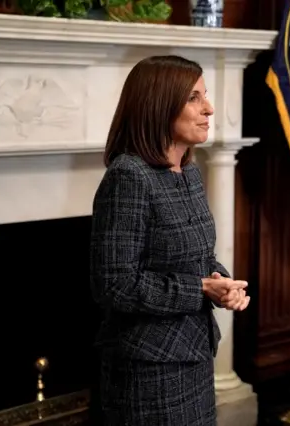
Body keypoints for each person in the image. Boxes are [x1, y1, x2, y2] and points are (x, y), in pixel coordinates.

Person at [89, 55, 250, 426]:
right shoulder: (128, 176)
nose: (208, 108)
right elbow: (114, 285)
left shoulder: (188, 172)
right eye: (194, 98)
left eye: (205, 96)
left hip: (193, 354)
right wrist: (200, 289)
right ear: (158, 104)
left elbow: (198, 257)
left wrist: (221, 283)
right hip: (148, 368)